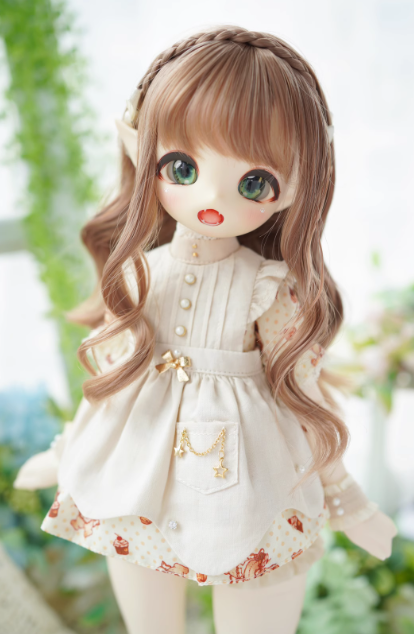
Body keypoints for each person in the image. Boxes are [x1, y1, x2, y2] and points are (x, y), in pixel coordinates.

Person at [15, 26, 397, 634]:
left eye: (254, 183)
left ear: (296, 187)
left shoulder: (268, 286)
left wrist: (348, 500)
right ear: (142, 151)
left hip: (251, 485)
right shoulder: (138, 275)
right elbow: (111, 378)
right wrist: (66, 453)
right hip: (137, 473)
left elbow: (304, 397)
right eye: (182, 166)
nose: (213, 197)